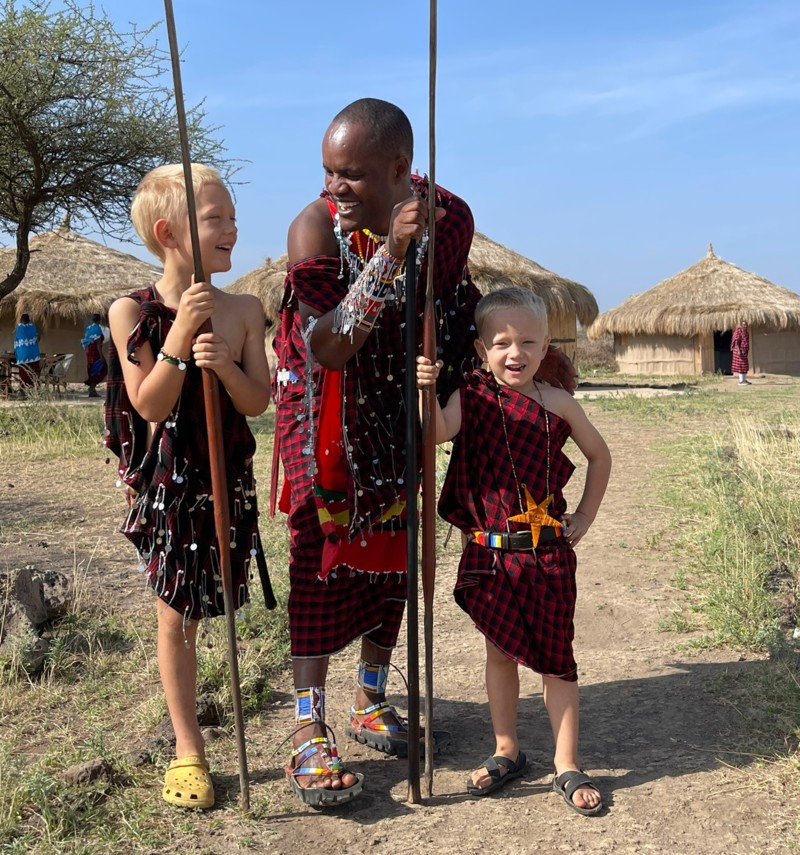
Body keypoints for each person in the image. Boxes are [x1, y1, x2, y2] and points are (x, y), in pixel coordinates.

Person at [272, 98, 576, 807]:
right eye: (327, 171)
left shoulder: (449, 220)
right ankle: (307, 727)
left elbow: (462, 305)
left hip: (399, 412)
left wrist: (532, 356)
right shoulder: (312, 228)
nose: (334, 187)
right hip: (325, 420)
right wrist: (392, 252)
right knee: (318, 569)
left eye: (350, 175)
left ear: (400, 171)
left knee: (392, 566)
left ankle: (371, 697)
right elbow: (330, 341)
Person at [104, 163, 272, 810]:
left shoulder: (245, 310)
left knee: (204, 608)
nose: (233, 228)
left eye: (233, 216)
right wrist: (178, 337)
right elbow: (148, 403)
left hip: (224, 483)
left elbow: (257, 402)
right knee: (173, 613)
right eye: (216, 219)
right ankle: (188, 745)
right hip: (168, 487)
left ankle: (196, 719)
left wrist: (226, 364)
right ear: (171, 232)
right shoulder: (130, 312)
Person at [417, 287, 611, 814]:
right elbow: (434, 433)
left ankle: (566, 762)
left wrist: (586, 516)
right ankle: (507, 749)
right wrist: (425, 391)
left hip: (548, 557)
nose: (515, 353)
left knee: (557, 660)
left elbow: (599, 455)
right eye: (501, 342)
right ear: (482, 350)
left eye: (528, 341)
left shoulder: (558, 403)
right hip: (490, 555)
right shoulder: (471, 397)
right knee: (499, 653)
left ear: (546, 345)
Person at [81, 313, 108, 397]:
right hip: (95, 352)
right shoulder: (97, 329)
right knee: (102, 368)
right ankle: (92, 387)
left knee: (91, 369)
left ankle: (92, 390)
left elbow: (87, 339)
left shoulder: (88, 328)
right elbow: (98, 344)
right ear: (99, 320)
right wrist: (101, 356)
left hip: (88, 351)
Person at [13, 313, 41, 391]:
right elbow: (37, 339)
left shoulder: (19, 327)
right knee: (33, 371)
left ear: (21, 320)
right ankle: (33, 388)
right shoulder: (33, 327)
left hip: (22, 355)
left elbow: (16, 340)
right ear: (29, 320)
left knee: (23, 371)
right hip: (33, 355)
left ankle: (23, 389)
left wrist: (15, 351)